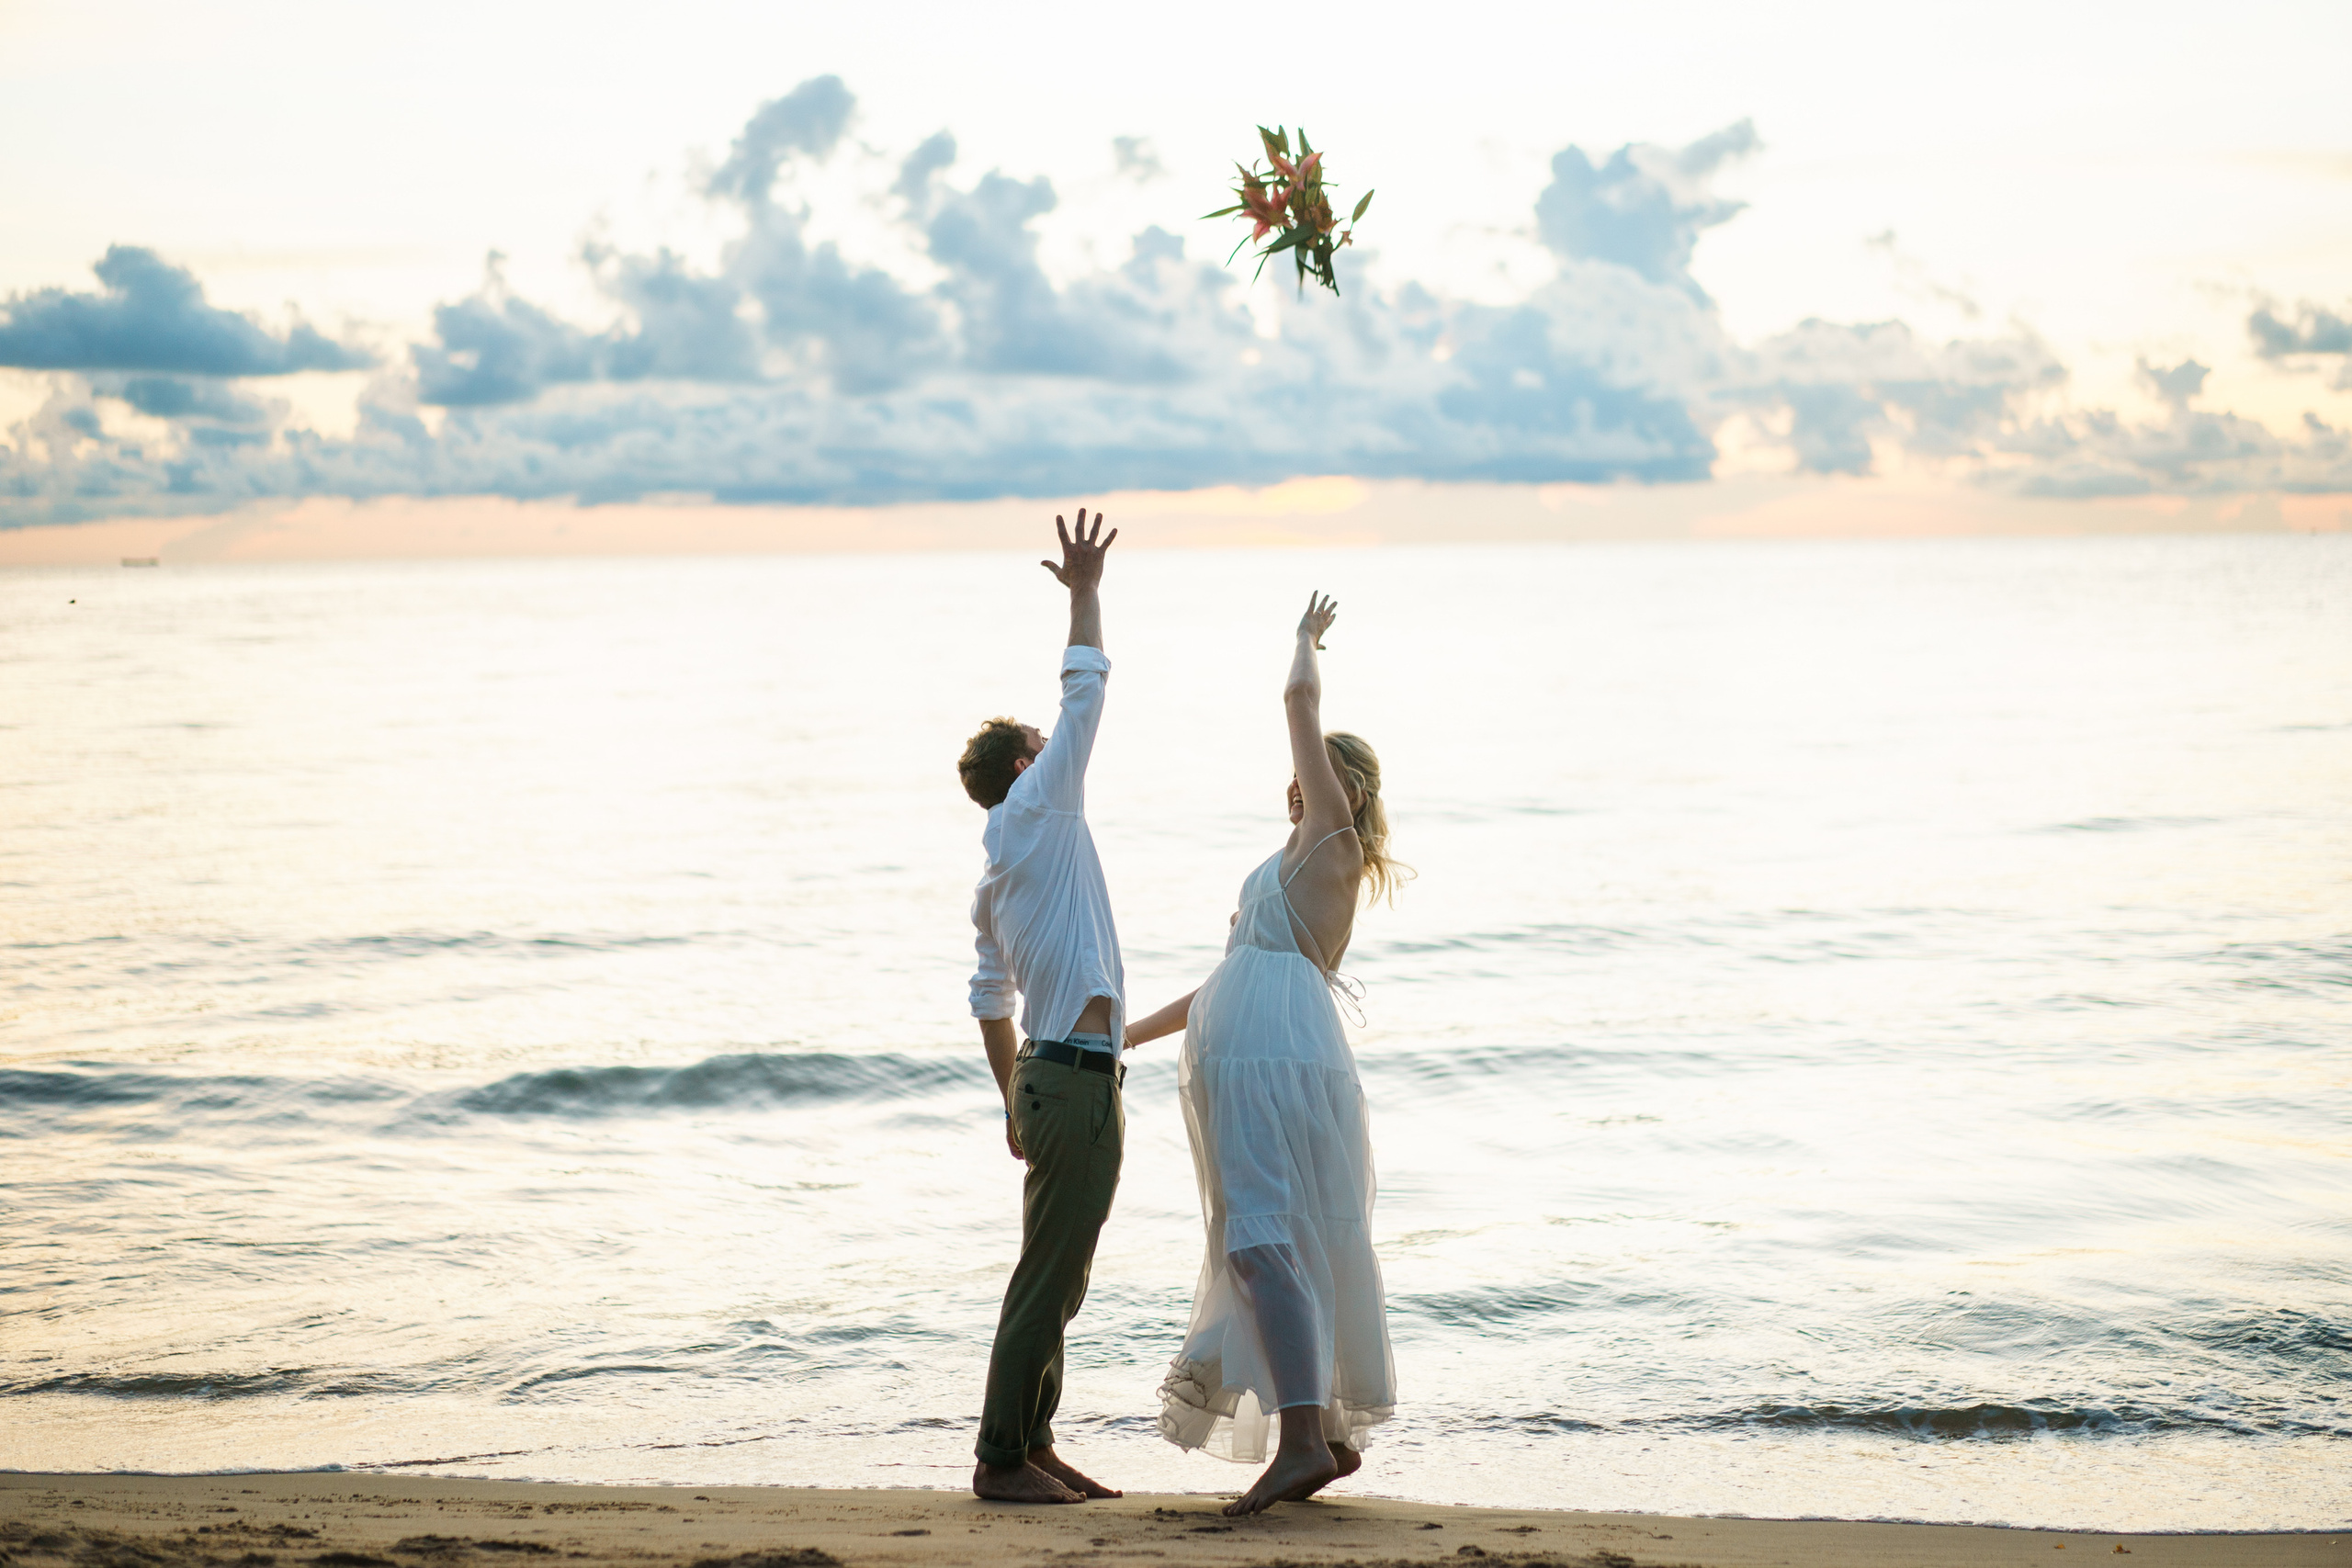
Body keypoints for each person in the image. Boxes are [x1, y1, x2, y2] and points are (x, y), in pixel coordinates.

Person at [1125, 591, 1406, 1517]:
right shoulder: (1287, 866)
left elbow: (1297, 707)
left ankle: (1297, 1442)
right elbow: (1225, 980)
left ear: (1346, 791)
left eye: (1320, 773)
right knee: (1277, 1233)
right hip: (1258, 1040)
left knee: (1259, 1236)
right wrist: (1126, 1034)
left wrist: (1302, 641)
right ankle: (1317, 1429)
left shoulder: (1327, 839)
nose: (1300, 778)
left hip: (1266, 1052)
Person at [959, 509, 1127, 1506]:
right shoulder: (1041, 808)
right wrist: (1083, 592)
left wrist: (1007, 1096)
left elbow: (988, 996)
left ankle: (1032, 1440)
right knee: (1046, 1278)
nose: (1053, 741)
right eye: (1039, 741)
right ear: (1027, 769)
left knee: (1060, 1274)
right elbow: (1087, 690)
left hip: (1052, 1079)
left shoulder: (996, 868)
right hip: (1068, 1076)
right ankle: (999, 1459)